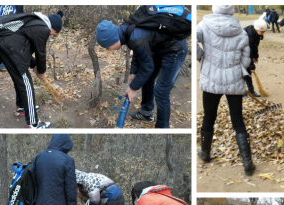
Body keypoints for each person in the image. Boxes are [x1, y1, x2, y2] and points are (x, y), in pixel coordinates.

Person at [95, 6, 190, 128]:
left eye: (107, 47)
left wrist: (133, 88)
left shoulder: (134, 37)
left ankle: (162, 128)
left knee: (161, 91)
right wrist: (133, 72)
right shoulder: (126, 30)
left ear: (113, 40)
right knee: (148, 79)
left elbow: (147, 66)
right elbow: (138, 51)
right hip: (158, 46)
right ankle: (146, 112)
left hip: (174, 50)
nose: (108, 50)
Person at [197, 5, 255, 176]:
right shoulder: (240, 31)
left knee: (209, 117)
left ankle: (205, 153)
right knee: (238, 121)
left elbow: (190, 36)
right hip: (234, 80)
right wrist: (239, 68)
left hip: (211, 80)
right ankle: (248, 164)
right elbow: (246, 55)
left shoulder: (203, 25)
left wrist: (200, 56)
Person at [0, 9, 63, 128]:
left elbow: (23, 50)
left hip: (1, 45)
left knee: (20, 81)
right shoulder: (43, 29)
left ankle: (22, 107)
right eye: (55, 32)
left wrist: (34, 65)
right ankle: (34, 124)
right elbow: (40, 53)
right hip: (7, 48)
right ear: (53, 28)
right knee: (26, 83)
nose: (53, 35)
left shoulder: (34, 23)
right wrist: (41, 72)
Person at [0, 6, 25, 72]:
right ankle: (6, 63)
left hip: (2, 25)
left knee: (6, 44)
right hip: (8, 25)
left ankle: (6, 64)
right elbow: (20, 15)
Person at [243, 19, 267, 98]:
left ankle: (251, 91)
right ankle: (242, 92)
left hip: (248, 55)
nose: (263, 33)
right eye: (262, 32)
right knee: (244, 74)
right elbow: (248, 52)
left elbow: (254, 46)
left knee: (248, 74)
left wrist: (256, 56)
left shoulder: (256, 35)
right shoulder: (248, 36)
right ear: (256, 29)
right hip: (241, 55)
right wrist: (251, 66)